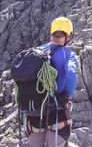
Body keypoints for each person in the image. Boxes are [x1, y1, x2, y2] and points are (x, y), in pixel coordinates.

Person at [26, 17, 78, 147]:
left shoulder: (36, 52)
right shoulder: (67, 54)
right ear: (68, 37)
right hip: (57, 110)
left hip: (34, 112)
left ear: (51, 34)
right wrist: (70, 95)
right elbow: (71, 74)